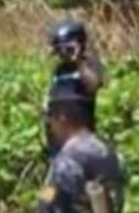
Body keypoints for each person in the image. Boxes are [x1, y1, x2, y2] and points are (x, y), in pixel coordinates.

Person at [43, 19, 106, 151]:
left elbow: (93, 86)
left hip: (81, 137)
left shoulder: (90, 64)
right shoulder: (59, 70)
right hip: (58, 139)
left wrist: (78, 62)